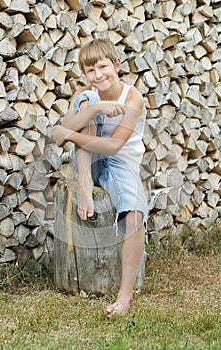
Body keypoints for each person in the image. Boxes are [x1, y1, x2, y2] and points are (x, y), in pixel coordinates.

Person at [51, 38, 149, 318]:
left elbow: (113, 146)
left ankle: (124, 297)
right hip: (88, 163)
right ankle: (84, 187)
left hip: (120, 163)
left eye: (103, 67)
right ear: (84, 73)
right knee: (88, 100)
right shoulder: (85, 93)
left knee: (134, 214)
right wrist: (93, 110)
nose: (98, 75)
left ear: (116, 65)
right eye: (90, 71)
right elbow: (68, 125)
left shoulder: (132, 97)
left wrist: (67, 135)